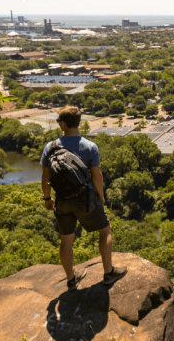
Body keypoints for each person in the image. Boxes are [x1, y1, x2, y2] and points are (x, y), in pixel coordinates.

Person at [40, 106, 125, 290]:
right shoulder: (89, 146)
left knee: (66, 239)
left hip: (62, 200)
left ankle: (71, 280)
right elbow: (97, 177)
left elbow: (45, 177)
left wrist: (47, 199)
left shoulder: (50, 147)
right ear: (79, 123)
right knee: (105, 230)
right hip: (85, 199)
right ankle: (108, 273)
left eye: (59, 121)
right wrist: (101, 196)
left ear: (63, 124)